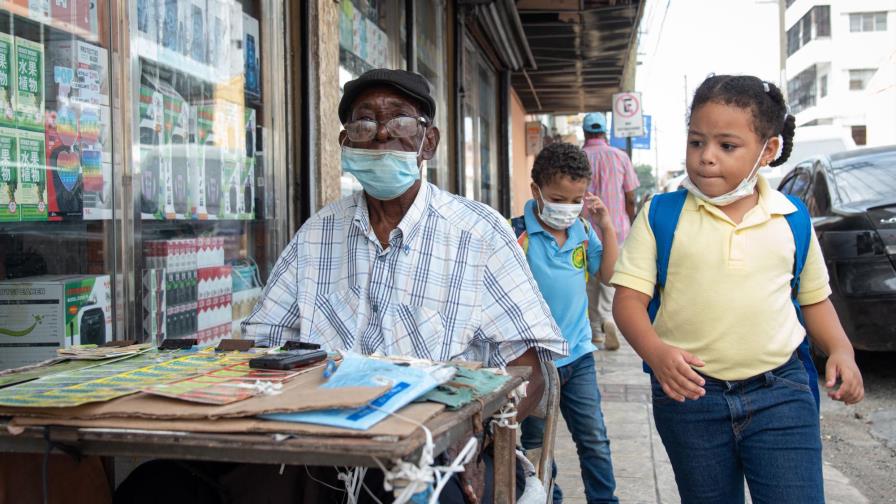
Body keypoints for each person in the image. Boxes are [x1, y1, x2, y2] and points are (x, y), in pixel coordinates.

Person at [243, 68, 567, 502]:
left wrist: (475, 436)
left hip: (442, 450)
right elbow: (262, 347)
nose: (381, 136)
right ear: (346, 144)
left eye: (400, 122)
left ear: (428, 142)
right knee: (165, 483)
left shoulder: (478, 233)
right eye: (364, 123)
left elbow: (528, 368)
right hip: (324, 448)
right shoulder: (318, 233)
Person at [612, 75, 864, 503]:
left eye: (727, 146)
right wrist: (656, 354)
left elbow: (814, 299)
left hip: (781, 393)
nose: (706, 158)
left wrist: (842, 350)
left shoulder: (791, 218)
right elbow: (627, 303)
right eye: (696, 143)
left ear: (767, 150)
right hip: (690, 397)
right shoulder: (660, 215)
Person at [514, 143, 620, 504]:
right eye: (559, 199)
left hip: (579, 357)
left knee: (594, 439)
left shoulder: (583, 232)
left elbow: (607, 276)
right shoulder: (517, 237)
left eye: (577, 200)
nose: (568, 209)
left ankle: (604, 500)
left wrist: (606, 225)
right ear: (537, 192)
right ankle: (548, 498)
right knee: (537, 445)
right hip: (535, 363)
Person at [581, 112, 639, 351]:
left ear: (585, 133)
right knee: (610, 278)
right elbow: (631, 195)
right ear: (605, 132)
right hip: (616, 229)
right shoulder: (620, 156)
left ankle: (595, 330)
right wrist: (631, 220)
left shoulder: (580, 157)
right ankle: (606, 318)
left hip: (583, 228)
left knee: (590, 282)